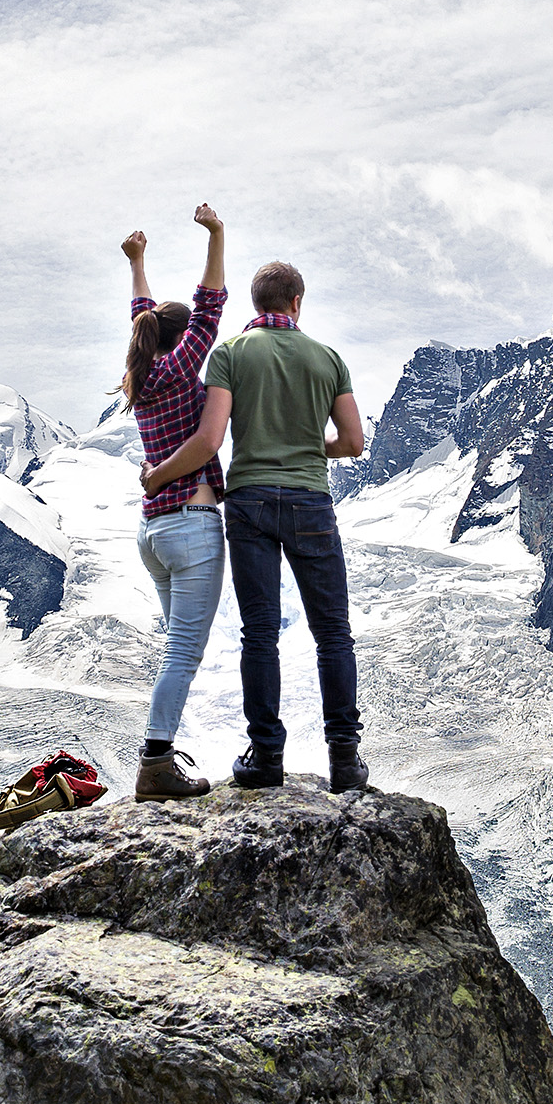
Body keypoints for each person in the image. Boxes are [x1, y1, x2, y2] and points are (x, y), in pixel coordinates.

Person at [142, 255, 368, 791]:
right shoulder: (327, 358)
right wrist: (313, 446)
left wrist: (156, 477)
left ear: (255, 304)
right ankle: (345, 760)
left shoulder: (231, 354)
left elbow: (211, 438)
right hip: (311, 500)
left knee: (259, 634)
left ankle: (266, 755)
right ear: (297, 303)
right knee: (332, 632)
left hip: (249, 502)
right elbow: (354, 442)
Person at [117, 205, 231, 802]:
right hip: (191, 523)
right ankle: (156, 763)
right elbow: (210, 305)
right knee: (184, 652)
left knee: (174, 649)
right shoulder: (182, 368)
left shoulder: (142, 370)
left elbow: (144, 315)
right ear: (182, 341)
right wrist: (216, 235)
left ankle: (161, 756)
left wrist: (137, 263)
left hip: (152, 533)